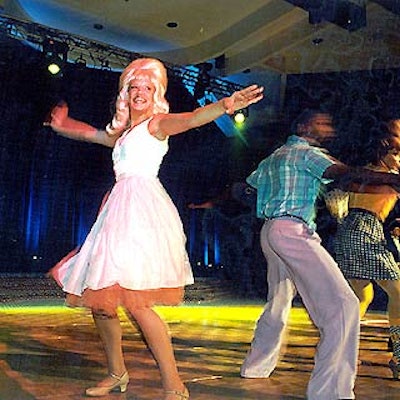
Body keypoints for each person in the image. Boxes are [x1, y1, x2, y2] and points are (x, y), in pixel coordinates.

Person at [45, 57, 263, 398]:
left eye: (147, 87)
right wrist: (63, 125)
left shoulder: (156, 125)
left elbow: (191, 119)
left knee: (136, 303)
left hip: (142, 215)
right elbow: (92, 134)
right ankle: (117, 372)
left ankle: (173, 382)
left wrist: (225, 106)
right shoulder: (121, 136)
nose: (139, 92)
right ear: (125, 94)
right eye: (134, 87)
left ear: (156, 93)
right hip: (114, 216)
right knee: (100, 301)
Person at [240, 109, 400, 400]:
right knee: (343, 305)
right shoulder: (306, 154)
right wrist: (393, 181)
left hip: (270, 230)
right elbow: (345, 175)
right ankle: (331, 392)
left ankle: (255, 367)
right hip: (292, 231)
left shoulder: (275, 156)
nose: (327, 128)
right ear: (303, 127)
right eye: (321, 124)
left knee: (278, 301)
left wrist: (214, 202)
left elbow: (247, 188)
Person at [334, 122, 400, 380]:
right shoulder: (384, 175)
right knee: (398, 293)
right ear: (384, 150)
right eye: (395, 151)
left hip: (350, 230)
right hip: (365, 230)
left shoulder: (368, 174)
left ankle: (338, 350)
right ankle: (398, 357)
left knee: (361, 298)